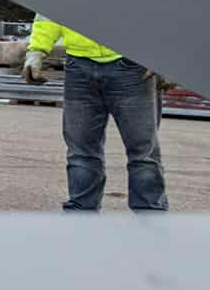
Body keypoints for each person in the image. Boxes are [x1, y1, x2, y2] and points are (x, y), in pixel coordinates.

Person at [24, 16, 167, 211]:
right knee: (81, 153)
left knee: (143, 153)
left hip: (134, 67)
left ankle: (150, 222)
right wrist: (37, 50)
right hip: (79, 67)